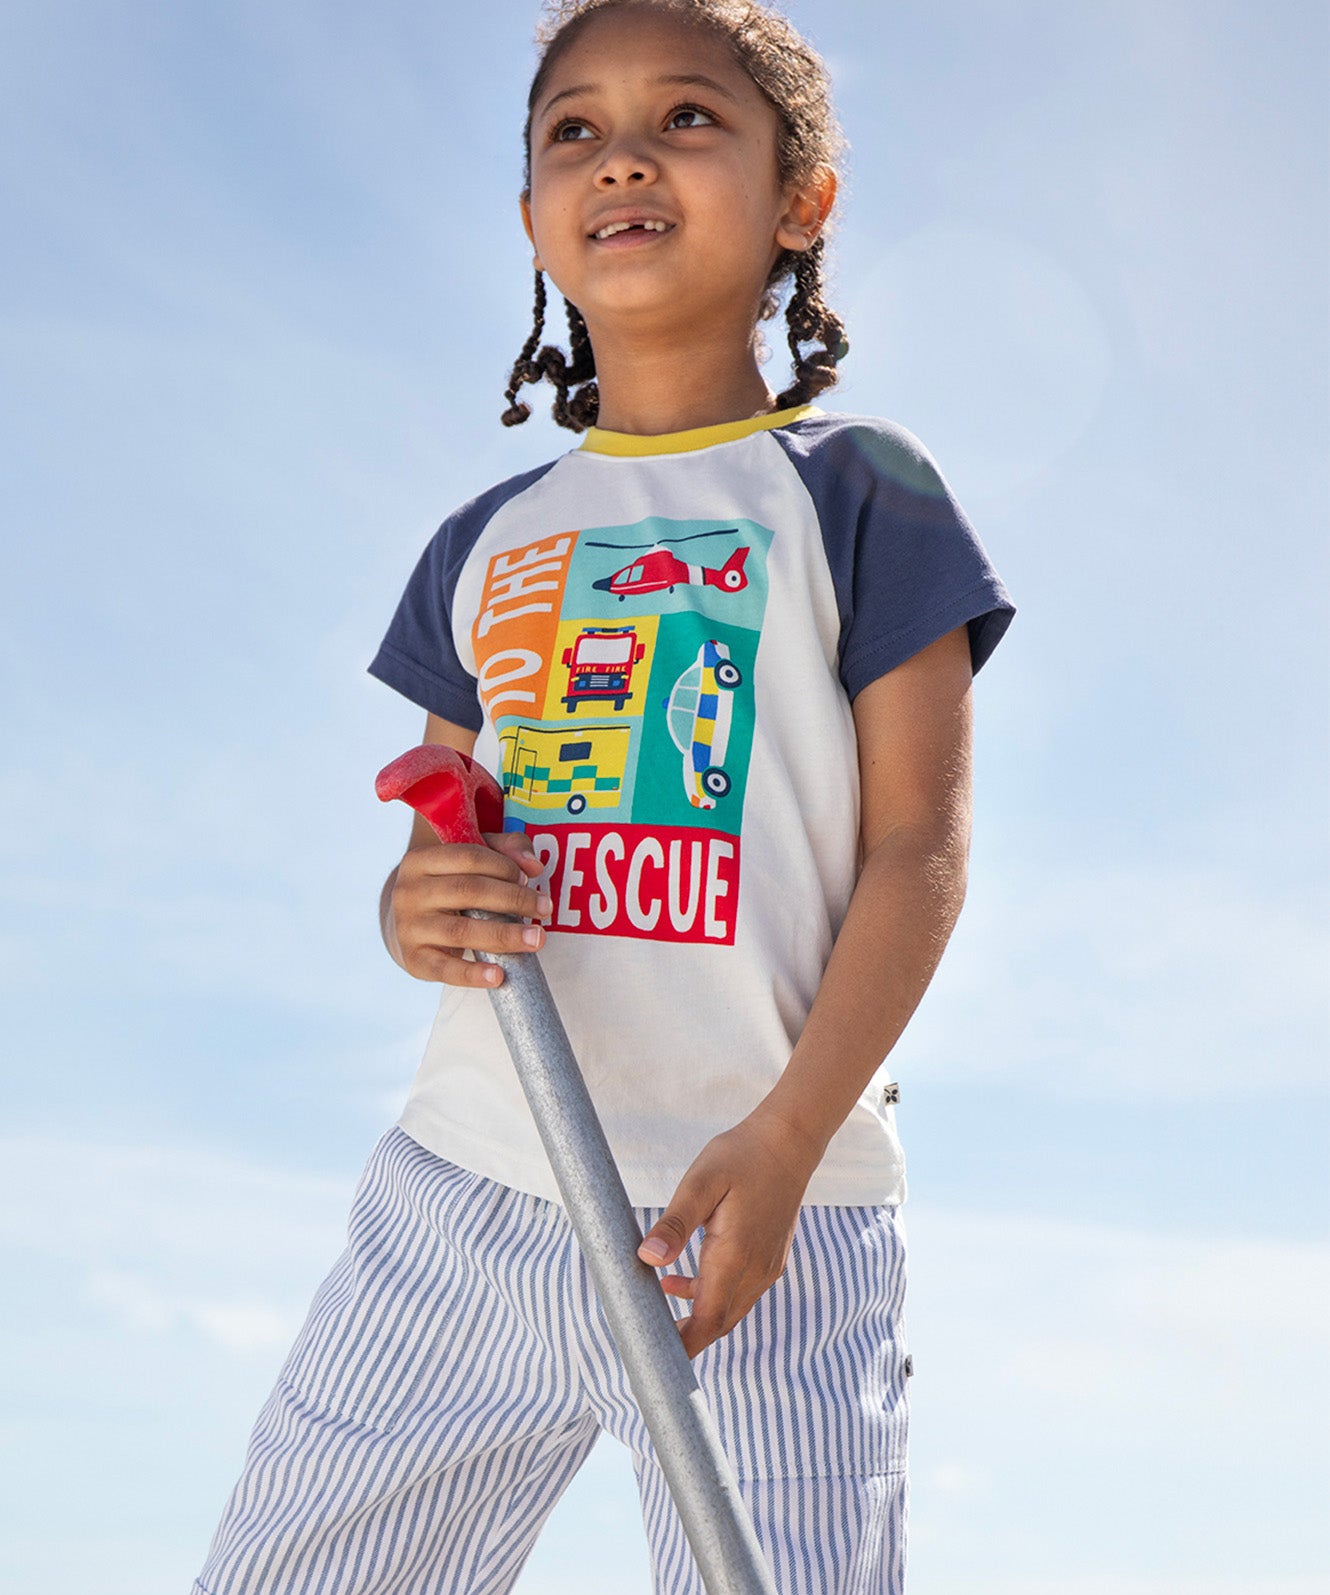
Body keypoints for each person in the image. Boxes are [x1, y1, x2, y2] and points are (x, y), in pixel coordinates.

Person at [191, 2, 1015, 1591]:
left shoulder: (862, 489)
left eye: (687, 118)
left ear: (801, 200)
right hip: (470, 1191)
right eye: (572, 128)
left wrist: (784, 1139)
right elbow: (445, 849)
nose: (623, 151)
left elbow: (916, 847)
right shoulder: (484, 537)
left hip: (764, 1204)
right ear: (529, 220)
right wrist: (406, 906)